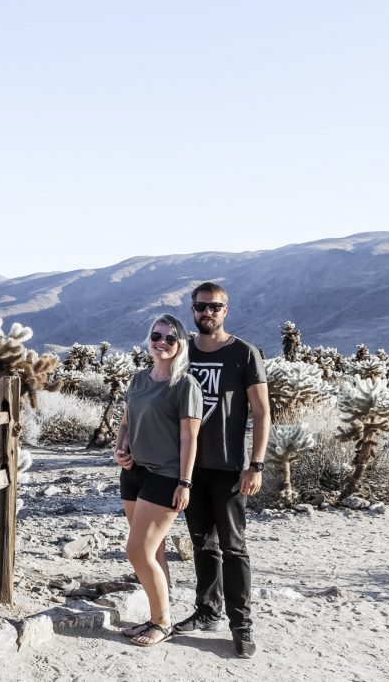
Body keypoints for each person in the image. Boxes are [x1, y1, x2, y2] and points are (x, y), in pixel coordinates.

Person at [175, 281, 270, 659]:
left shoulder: (243, 354)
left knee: (234, 547)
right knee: (202, 544)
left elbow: (262, 412)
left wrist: (256, 465)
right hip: (188, 467)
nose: (207, 313)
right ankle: (207, 610)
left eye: (215, 307)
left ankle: (241, 623)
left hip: (229, 467)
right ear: (192, 310)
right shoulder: (183, 353)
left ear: (225, 310)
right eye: (201, 307)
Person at [113, 313, 203, 647]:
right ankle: (156, 616)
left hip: (165, 476)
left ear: (181, 344)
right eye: (156, 336)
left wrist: (185, 482)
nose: (161, 343)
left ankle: (163, 623)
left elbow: (189, 439)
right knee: (155, 551)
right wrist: (119, 449)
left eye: (169, 338)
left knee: (137, 551)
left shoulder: (185, 385)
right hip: (133, 473)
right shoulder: (139, 379)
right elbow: (125, 421)